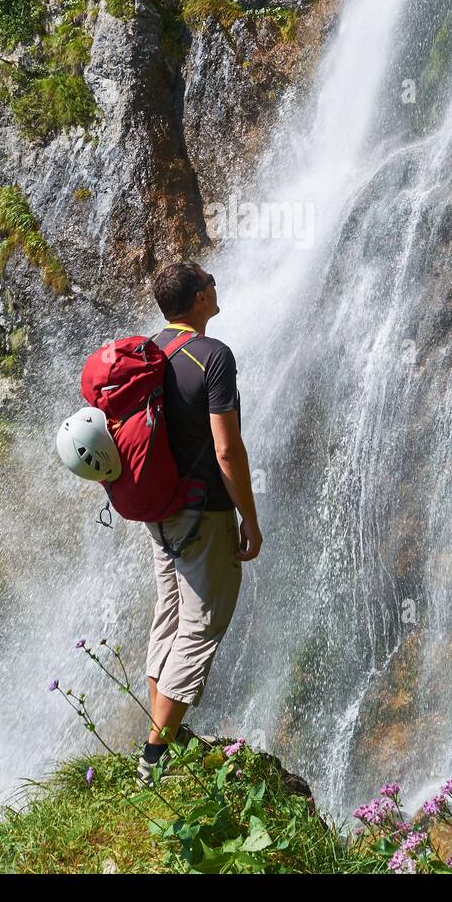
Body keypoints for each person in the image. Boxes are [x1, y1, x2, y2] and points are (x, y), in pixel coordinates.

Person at [137, 260, 263, 786]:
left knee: (170, 613)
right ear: (196, 297)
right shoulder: (213, 357)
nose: (217, 287)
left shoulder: (148, 352)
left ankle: (160, 733)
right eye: (210, 282)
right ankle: (154, 756)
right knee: (202, 624)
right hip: (203, 510)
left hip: (157, 509)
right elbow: (227, 450)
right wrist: (249, 519)